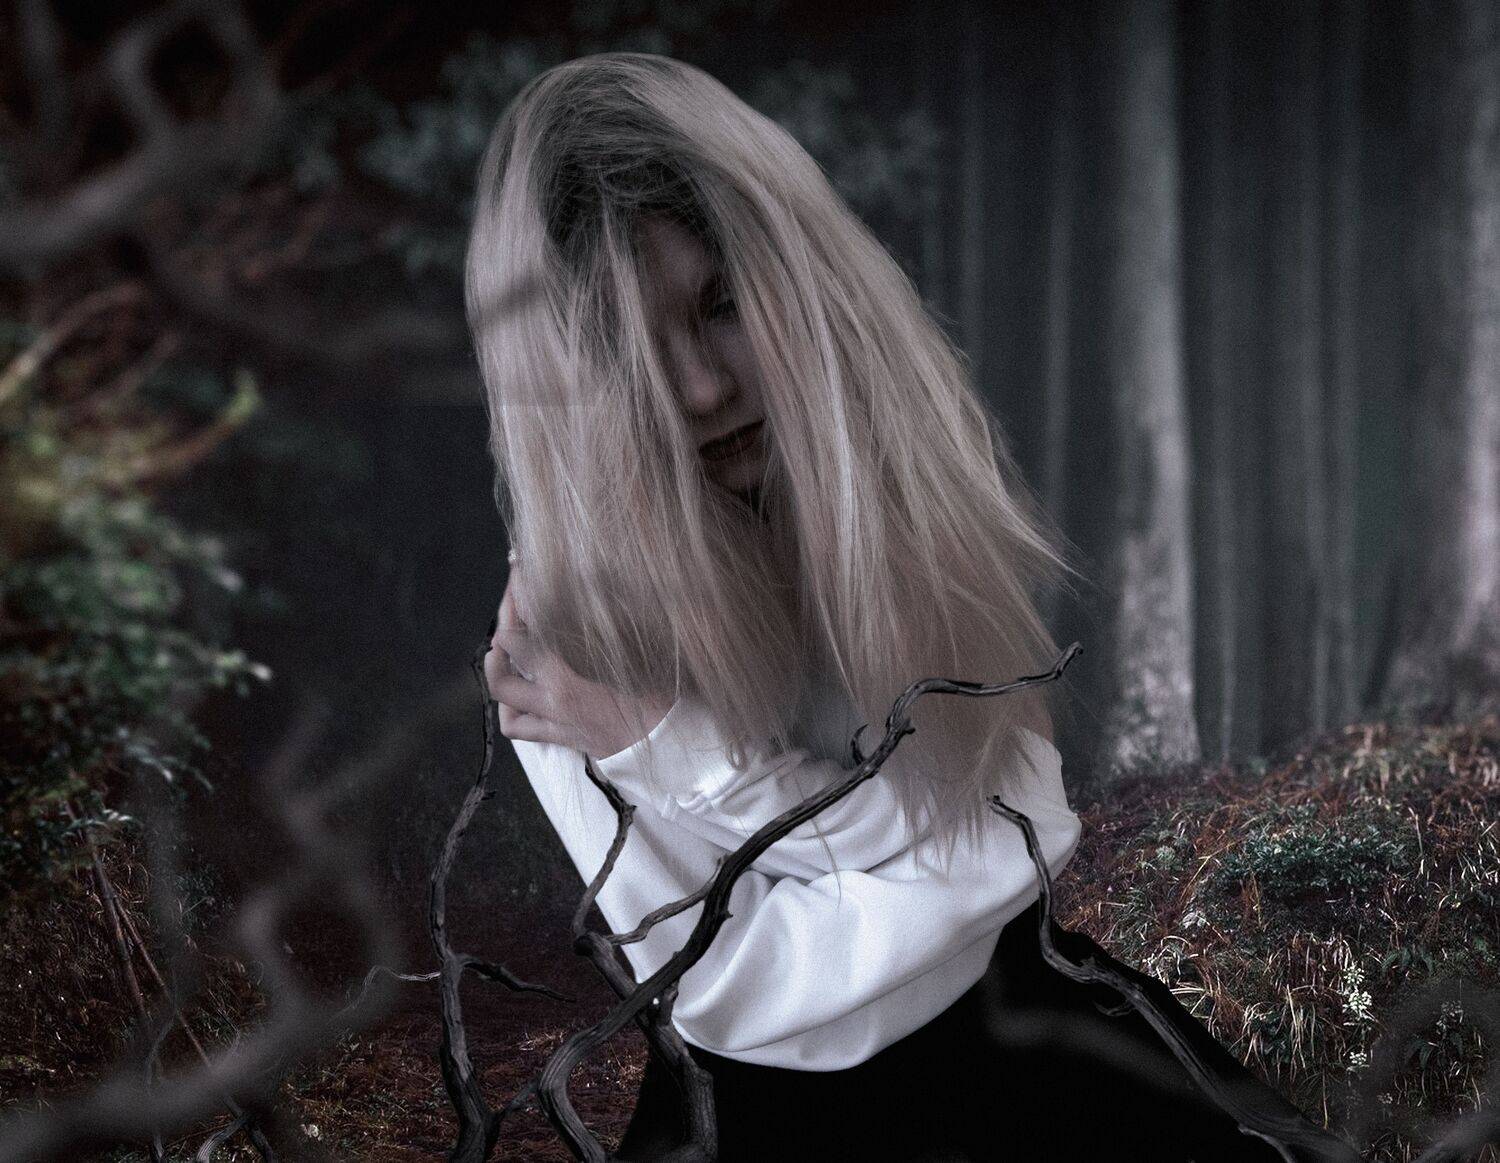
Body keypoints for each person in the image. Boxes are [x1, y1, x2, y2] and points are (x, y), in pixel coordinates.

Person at [464, 52, 1320, 1162]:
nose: (703, 388)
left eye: (721, 305)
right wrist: (903, 858)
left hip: (1032, 1031)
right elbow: (729, 992)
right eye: (631, 351)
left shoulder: (893, 476)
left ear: (797, 282)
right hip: (764, 1117)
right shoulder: (556, 629)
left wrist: (683, 755)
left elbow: (1016, 843)